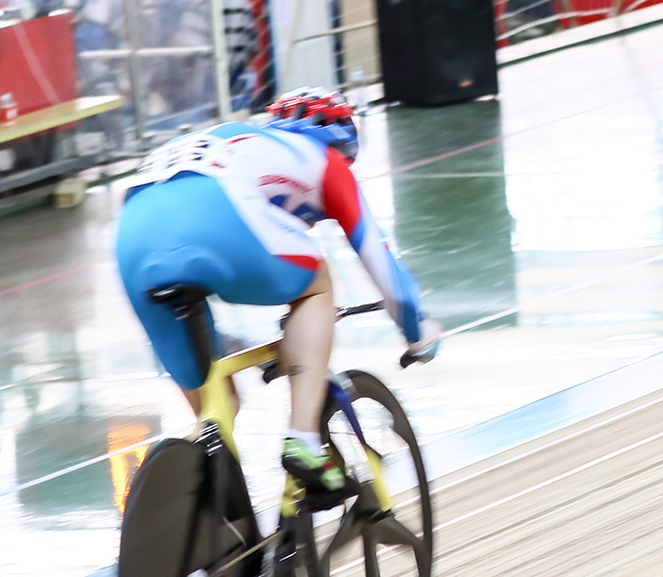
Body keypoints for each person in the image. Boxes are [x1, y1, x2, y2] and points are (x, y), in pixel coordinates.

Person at [114, 91, 442, 491]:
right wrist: (417, 330)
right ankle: (304, 441)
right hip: (218, 205)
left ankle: (202, 514)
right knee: (316, 286)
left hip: (131, 237)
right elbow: (382, 263)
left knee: (218, 412)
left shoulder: (245, 140)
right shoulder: (327, 161)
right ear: (342, 144)